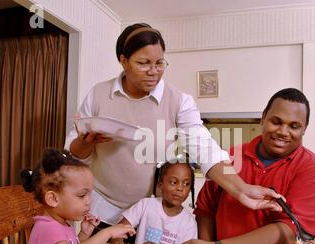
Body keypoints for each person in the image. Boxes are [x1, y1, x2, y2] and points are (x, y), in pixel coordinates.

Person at [64, 22, 281, 229]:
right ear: (124, 61)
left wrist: (241, 190)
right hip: (100, 210)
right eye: (143, 63)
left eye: (159, 63)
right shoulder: (98, 94)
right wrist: (84, 145)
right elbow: (72, 154)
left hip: (151, 213)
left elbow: (204, 148)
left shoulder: (179, 101)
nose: (154, 71)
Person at [166, 88, 315, 244]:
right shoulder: (230, 158)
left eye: (294, 126)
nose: (283, 132)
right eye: (276, 121)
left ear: (304, 128)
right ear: (263, 118)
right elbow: (205, 210)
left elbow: (291, 234)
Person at [19, 148, 135, 244]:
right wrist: (107, 232)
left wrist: (83, 234)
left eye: (89, 194)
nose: (89, 201)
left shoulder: (60, 223)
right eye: (81, 195)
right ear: (53, 199)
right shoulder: (47, 228)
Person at [110, 157, 197, 244]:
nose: (180, 188)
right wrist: (117, 240)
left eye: (186, 184)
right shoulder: (145, 205)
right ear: (160, 185)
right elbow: (120, 228)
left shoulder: (189, 223)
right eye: (173, 182)